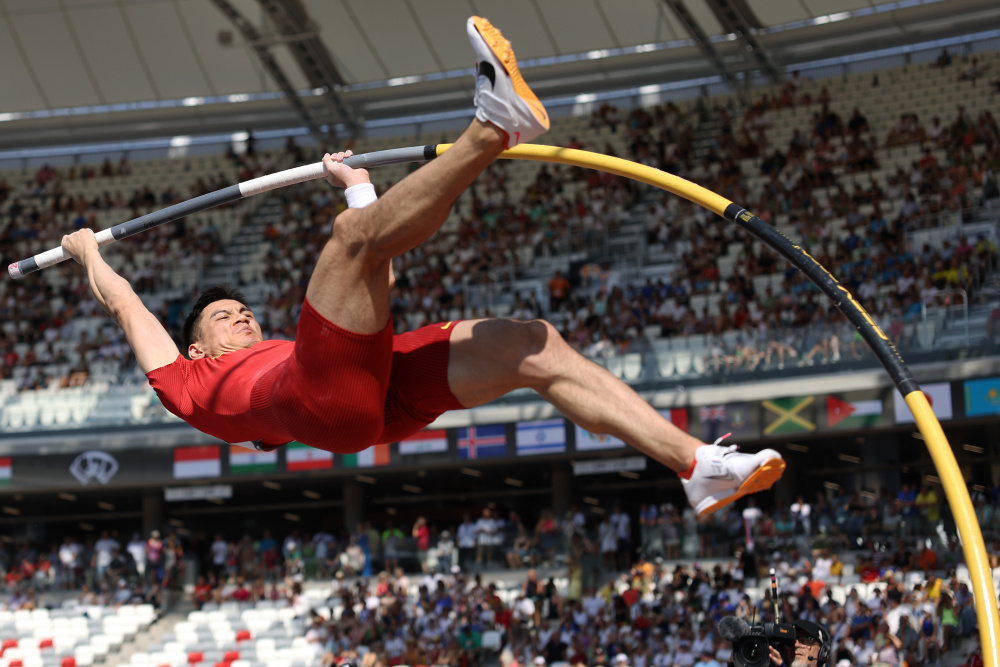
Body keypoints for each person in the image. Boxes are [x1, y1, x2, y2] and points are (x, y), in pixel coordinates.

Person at [60, 16, 783, 518]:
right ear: (197, 348)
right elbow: (125, 303)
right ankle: (493, 125)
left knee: (530, 343)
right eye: (225, 316)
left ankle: (698, 467)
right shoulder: (184, 384)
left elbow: (386, 272)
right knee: (348, 239)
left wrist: (359, 185)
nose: (242, 313)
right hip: (320, 401)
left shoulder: (280, 349)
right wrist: (87, 250)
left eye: (241, 308)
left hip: (365, 393)